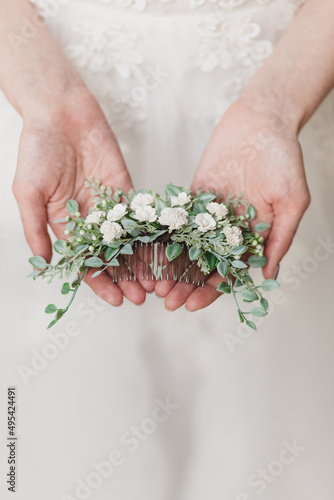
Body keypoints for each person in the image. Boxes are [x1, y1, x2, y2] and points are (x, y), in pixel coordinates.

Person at [0, 1, 333, 499]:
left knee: (263, 388)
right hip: (42, 74)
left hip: (284, 70)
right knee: (73, 390)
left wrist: (277, 106)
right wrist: (49, 100)